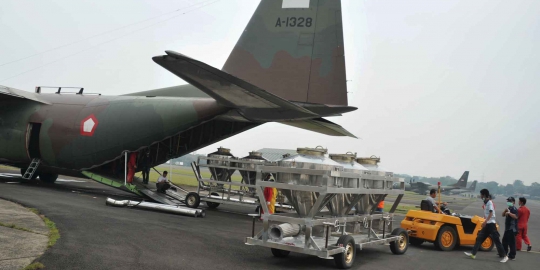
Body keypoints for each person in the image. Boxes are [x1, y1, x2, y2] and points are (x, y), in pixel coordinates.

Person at [465, 189, 507, 262]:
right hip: (487, 224)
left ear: (484, 195)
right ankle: (473, 253)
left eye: (481, 194)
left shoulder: (489, 203)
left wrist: (485, 221)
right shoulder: (486, 203)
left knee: (496, 240)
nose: (480, 196)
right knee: (479, 238)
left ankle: (505, 256)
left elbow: (491, 213)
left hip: (491, 224)